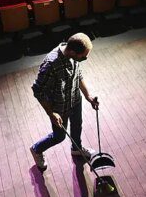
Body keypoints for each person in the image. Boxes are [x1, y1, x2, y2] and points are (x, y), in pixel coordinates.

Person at [29, 33, 99, 172]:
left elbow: (78, 76)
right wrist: (51, 113)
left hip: (75, 99)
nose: (85, 58)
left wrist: (88, 96)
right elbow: (38, 91)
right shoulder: (51, 64)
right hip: (59, 107)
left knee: (77, 125)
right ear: (73, 51)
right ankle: (37, 149)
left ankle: (76, 149)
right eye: (84, 56)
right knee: (59, 136)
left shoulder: (74, 58)